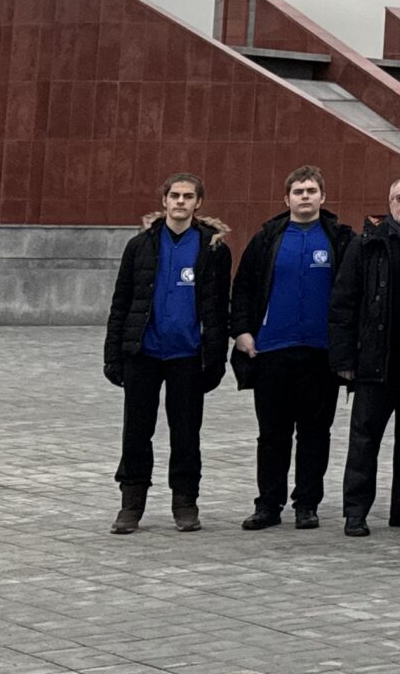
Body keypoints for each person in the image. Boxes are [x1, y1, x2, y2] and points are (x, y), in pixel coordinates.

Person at [103, 173, 231, 534]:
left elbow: (219, 307)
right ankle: (131, 504)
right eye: (174, 195)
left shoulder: (214, 249)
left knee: (186, 433)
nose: (180, 202)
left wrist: (216, 357)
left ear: (198, 203)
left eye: (188, 196)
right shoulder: (140, 246)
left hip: (187, 355)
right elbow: (121, 302)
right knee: (136, 432)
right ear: (164, 201)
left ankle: (185, 503)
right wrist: (113, 353)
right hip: (143, 352)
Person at [228, 166, 350, 531]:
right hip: (272, 351)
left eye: (311, 190)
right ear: (287, 199)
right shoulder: (267, 238)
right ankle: (268, 505)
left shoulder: (340, 239)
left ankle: (307, 504)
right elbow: (243, 287)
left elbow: (352, 293)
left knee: (315, 433)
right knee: (272, 434)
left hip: (321, 353)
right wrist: (242, 331)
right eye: (298, 191)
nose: (305, 196)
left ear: (323, 196)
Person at [328, 176, 400, 536]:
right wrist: (344, 360)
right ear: (390, 203)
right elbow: (343, 303)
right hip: (375, 359)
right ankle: (355, 512)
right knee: (364, 440)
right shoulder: (366, 244)